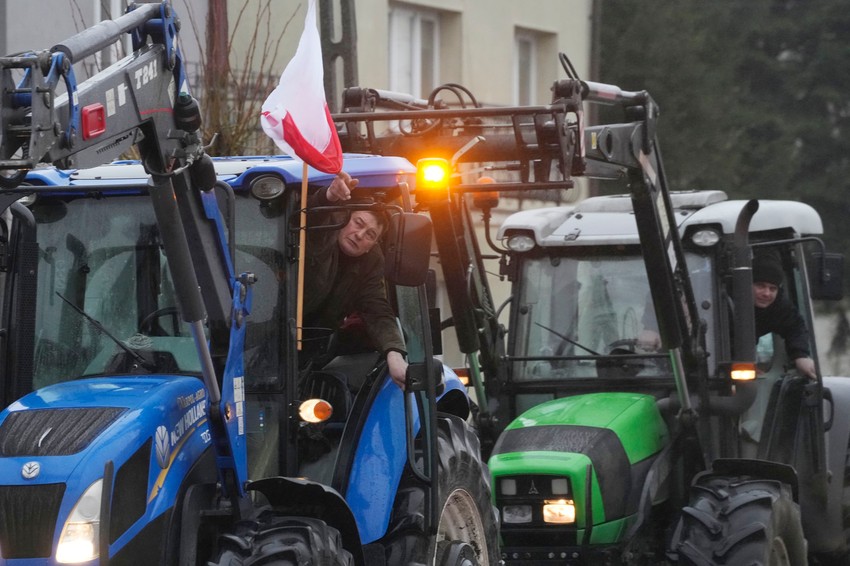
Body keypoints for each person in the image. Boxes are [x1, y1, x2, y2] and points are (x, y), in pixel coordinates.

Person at [302, 171, 408, 388]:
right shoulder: (323, 232)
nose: (360, 235)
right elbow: (311, 220)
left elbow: (376, 309)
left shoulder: (370, 262)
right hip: (268, 334)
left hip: (312, 353)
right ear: (344, 219)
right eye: (358, 223)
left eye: (370, 235)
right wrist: (329, 196)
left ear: (372, 246)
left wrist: (394, 353)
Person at [751, 252, 817, 379]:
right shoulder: (724, 304)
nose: (766, 293)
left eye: (772, 288)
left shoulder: (779, 307)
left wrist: (800, 356)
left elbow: (795, 328)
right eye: (760, 286)